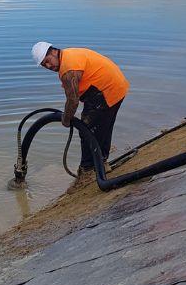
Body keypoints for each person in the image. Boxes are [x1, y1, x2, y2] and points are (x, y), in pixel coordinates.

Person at [31, 42, 129, 182]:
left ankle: (87, 171)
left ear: (53, 51)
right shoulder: (69, 55)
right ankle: (102, 163)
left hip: (105, 91)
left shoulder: (68, 69)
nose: (48, 66)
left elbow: (73, 100)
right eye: (43, 65)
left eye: (47, 61)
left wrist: (66, 119)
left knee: (87, 129)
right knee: (103, 128)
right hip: (116, 86)